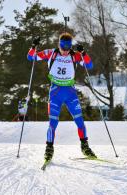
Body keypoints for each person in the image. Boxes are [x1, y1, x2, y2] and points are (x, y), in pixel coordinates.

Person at [27, 32, 97, 163]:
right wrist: (33, 46)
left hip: (70, 93)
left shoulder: (74, 55)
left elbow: (89, 65)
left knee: (79, 121)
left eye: (68, 48)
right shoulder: (50, 53)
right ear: (59, 45)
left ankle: (85, 147)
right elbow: (31, 58)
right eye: (63, 48)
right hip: (55, 93)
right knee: (53, 123)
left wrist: (83, 53)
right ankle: (49, 148)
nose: (65, 51)